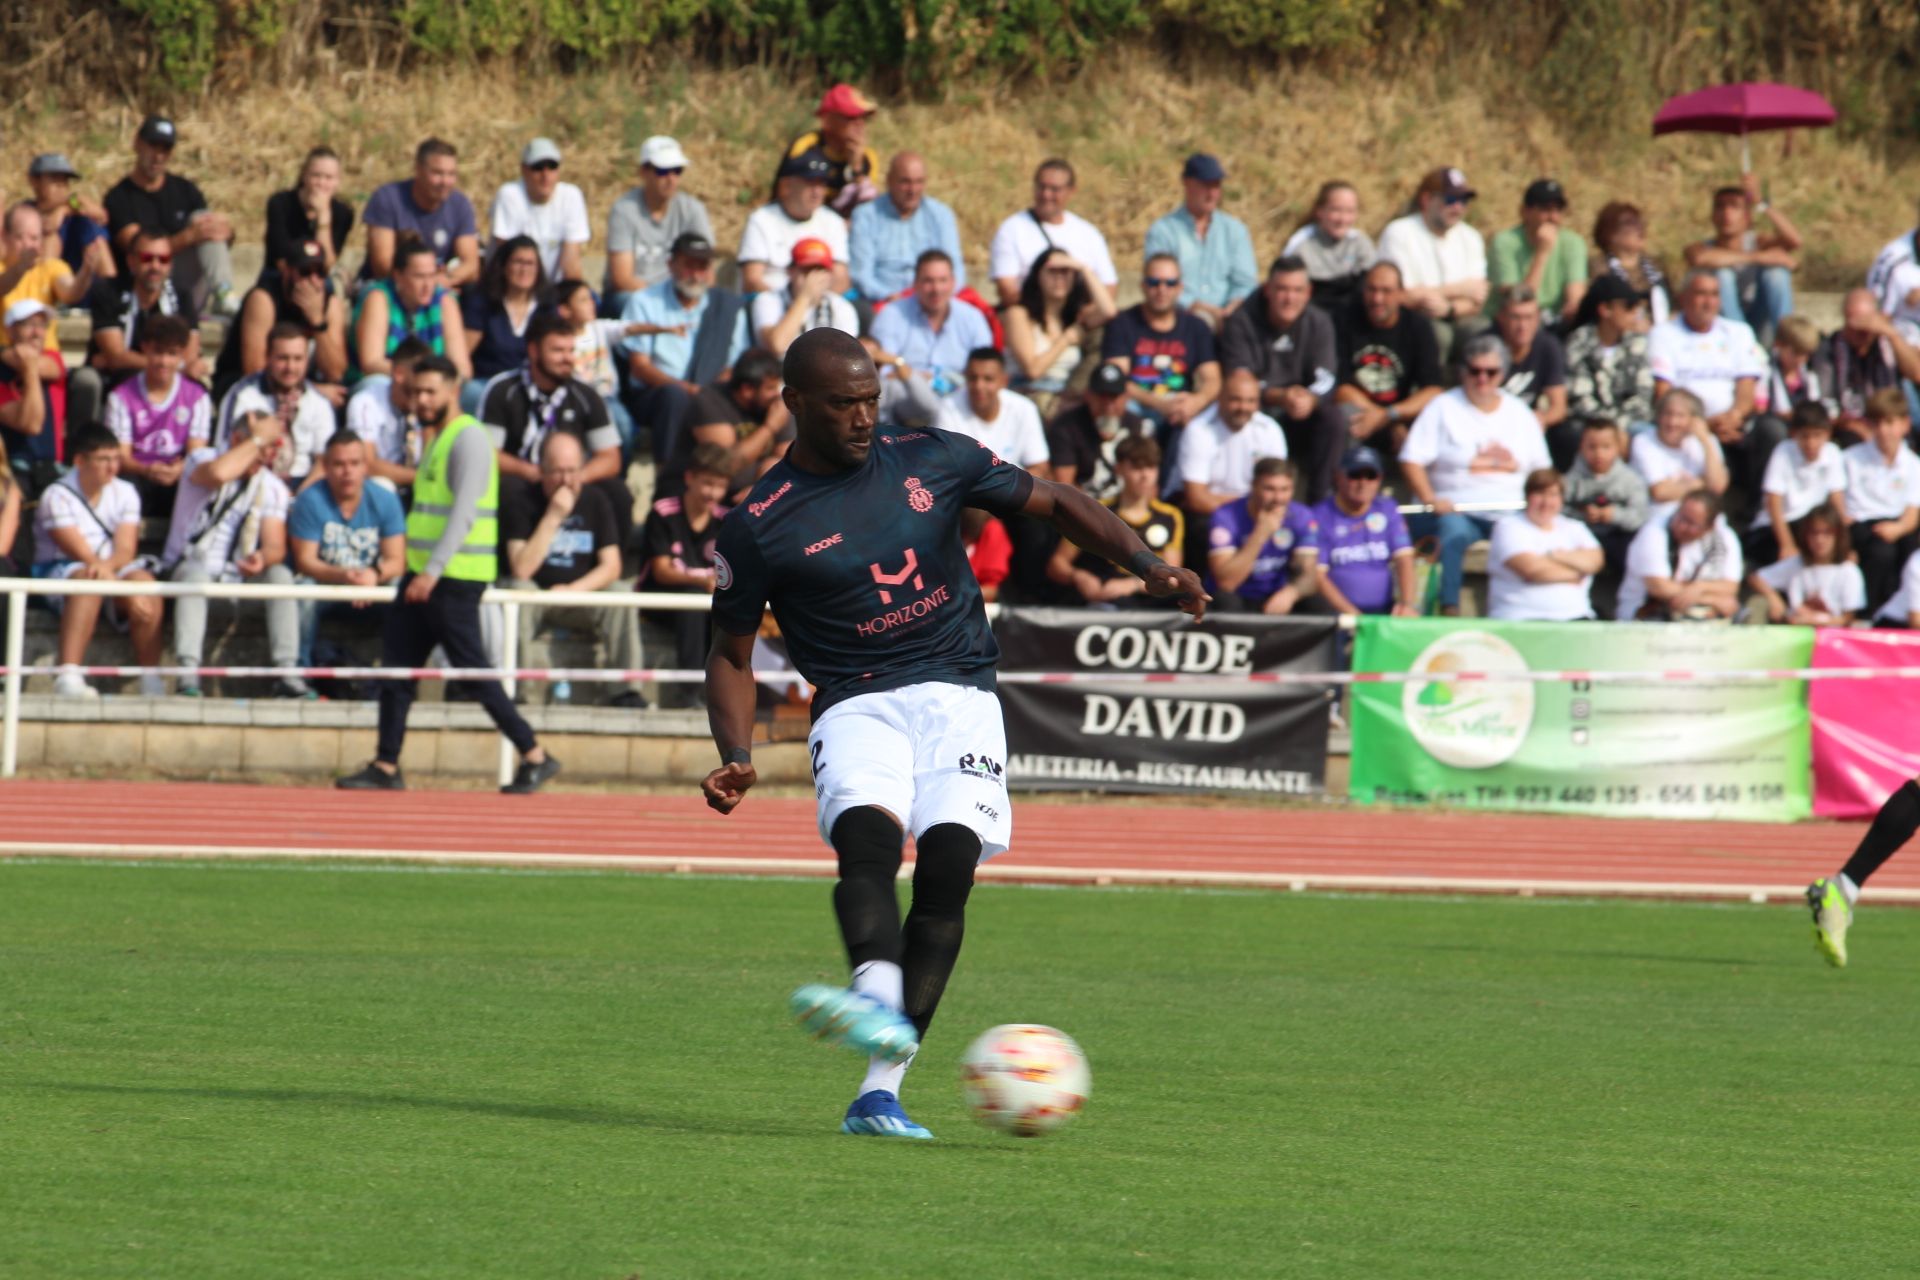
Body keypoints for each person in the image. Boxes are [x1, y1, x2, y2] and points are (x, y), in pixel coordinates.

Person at [700, 327, 1206, 1140]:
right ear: (795, 404)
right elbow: (727, 653)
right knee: (867, 840)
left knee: (947, 869)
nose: (863, 418)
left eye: (870, 400)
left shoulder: (933, 457)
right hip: (855, 698)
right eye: (842, 404)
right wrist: (735, 753)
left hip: (961, 692)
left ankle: (879, 1092)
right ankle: (873, 991)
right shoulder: (759, 524)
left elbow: (1058, 500)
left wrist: (1148, 564)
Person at [336, 355, 560, 793]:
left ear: (453, 391)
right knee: (398, 669)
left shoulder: (468, 439)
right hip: (427, 575)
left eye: (430, 392)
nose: (420, 400)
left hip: (450, 579)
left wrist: (431, 573)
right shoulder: (439, 439)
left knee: (472, 672)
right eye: (416, 392)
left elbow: (463, 512)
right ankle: (385, 765)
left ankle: (534, 754)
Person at [1399, 334, 1553, 614]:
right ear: (1463, 372)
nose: (1482, 379)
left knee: (1525, 540)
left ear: (1503, 375)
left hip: (1510, 513)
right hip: (1455, 509)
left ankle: (1525, 612)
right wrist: (1430, 499)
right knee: (1453, 532)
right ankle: (1449, 607)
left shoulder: (1520, 414)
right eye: (1475, 371)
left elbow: (1542, 472)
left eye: (1490, 372)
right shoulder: (1442, 407)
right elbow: (1411, 459)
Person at [163, 409, 308, 698]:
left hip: (236, 578)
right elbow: (218, 474)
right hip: (187, 569)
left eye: (270, 447)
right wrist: (257, 438)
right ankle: (187, 674)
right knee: (195, 573)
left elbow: (275, 545)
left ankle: (288, 672)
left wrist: (263, 558)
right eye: (261, 446)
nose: (265, 454)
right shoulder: (202, 459)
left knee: (279, 574)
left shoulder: (272, 486)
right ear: (238, 439)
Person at [502, 430, 643, 707]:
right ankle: (521, 691)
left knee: (621, 592)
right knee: (517, 590)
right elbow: (521, 569)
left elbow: (611, 566)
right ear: (542, 470)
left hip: (580, 596)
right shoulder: (522, 500)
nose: (566, 480)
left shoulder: (596, 500)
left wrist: (572, 590)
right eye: (557, 472)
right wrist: (553, 516)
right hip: (538, 596)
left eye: (572, 471)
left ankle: (627, 690)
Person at [30, 423, 165, 698]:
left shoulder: (126, 491)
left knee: (145, 584)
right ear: (80, 461)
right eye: (103, 459)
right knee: (88, 580)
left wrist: (129, 588)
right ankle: (68, 674)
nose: (112, 467)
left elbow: (125, 550)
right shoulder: (55, 495)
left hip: (109, 569)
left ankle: (151, 678)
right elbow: (80, 553)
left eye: (116, 458)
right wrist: (122, 590)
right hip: (60, 569)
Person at [481, 309, 629, 546]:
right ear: (533, 350)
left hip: (571, 479)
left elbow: (610, 457)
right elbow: (487, 454)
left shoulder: (587, 395)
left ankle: (610, 570)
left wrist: (576, 477)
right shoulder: (502, 390)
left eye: (571, 350)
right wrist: (531, 472)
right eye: (557, 351)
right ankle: (507, 570)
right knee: (508, 488)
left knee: (617, 493)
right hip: (524, 480)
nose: (568, 358)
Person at [619, 232, 750, 469]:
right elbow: (640, 367)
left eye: (703, 267)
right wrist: (687, 389)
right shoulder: (644, 301)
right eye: (689, 265)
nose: (697, 275)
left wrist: (706, 395)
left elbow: (734, 365)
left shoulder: (728, 307)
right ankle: (668, 476)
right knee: (674, 397)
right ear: (671, 265)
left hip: (711, 395)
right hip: (656, 395)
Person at [1219, 255, 1345, 501]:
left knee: (1334, 418)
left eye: (1297, 290)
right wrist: (1280, 396)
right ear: (1267, 290)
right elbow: (1240, 377)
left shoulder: (1319, 321)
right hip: (1260, 409)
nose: (1289, 298)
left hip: (1301, 411)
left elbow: (1327, 377)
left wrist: (1309, 398)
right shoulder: (1241, 320)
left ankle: (1319, 503)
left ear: (1308, 292)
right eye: (1282, 289)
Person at [1648, 268, 1774, 512]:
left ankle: (1755, 514)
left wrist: (1735, 416)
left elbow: (1746, 388)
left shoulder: (1738, 332)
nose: (1709, 302)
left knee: (1772, 432)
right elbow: (1664, 393)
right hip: (1687, 424)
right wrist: (1703, 425)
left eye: (1714, 294)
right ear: (1684, 298)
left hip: (1732, 423)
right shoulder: (1664, 334)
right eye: (1701, 294)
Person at [288, 430, 406, 672]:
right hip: (328, 586)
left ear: (366, 466)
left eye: (355, 463)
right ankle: (299, 672)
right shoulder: (310, 500)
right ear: (325, 467)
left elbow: (397, 560)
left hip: (372, 584)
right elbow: (305, 561)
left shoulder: (385, 499)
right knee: (303, 590)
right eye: (339, 464)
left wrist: (373, 574)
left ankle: (397, 672)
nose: (347, 472)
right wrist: (345, 576)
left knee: (400, 586)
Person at [74, 226, 206, 433]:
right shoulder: (108, 291)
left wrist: (168, 366)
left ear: (170, 264)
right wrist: (171, 364)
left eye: (163, 259)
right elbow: (116, 356)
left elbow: (190, 352)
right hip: (115, 379)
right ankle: (82, 449)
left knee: (199, 383)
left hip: (164, 381)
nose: (155, 266)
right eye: (147, 258)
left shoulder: (181, 295)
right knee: (85, 380)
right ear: (131, 261)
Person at [102, 115, 236, 314]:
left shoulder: (185, 190)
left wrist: (225, 232)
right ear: (137, 144)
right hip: (142, 285)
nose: (158, 156)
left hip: (183, 283)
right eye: (153, 147)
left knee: (204, 219)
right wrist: (188, 237)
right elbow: (136, 248)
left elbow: (208, 237)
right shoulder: (119, 197)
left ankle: (224, 293)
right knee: (195, 229)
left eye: (165, 149)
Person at [639, 441, 734, 698]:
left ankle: (727, 691)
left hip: (707, 602)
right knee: (694, 600)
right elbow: (661, 571)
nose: (712, 493)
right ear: (689, 477)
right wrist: (705, 582)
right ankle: (691, 692)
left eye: (720, 485)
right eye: (707, 483)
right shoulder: (663, 512)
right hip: (659, 600)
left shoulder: (728, 520)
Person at [1047, 434, 1183, 606]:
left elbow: (1171, 576)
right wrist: (1079, 576)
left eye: (1151, 467)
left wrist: (1132, 585)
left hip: (1150, 601)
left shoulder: (1170, 516)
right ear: (1119, 469)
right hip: (1107, 599)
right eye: (1137, 467)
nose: (1145, 475)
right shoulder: (1097, 512)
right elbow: (1058, 564)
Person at [212, 239, 348, 401]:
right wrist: (313, 391)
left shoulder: (330, 304)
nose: (314, 281)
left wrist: (317, 321)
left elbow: (336, 373)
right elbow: (255, 371)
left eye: (320, 273)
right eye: (305, 272)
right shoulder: (264, 299)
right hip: (245, 385)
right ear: (286, 271)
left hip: (299, 383)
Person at [104, 314, 209, 518]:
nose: (164, 362)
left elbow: (197, 454)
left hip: (177, 476)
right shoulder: (121, 397)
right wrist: (147, 470)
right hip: (137, 474)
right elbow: (121, 456)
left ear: (182, 355)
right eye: (158, 352)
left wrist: (179, 469)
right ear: (145, 348)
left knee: (196, 481)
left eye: (172, 354)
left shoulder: (197, 397)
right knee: (123, 485)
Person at [1332, 261, 1442, 455]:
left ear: (1401, 294)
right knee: (1342, 416)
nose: (1377, 299)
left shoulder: (1418, 327)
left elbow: (1433, 390)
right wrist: (1382, 419)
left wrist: (1388, 415)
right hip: (1360, 413)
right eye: (1372, 290)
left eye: (1386, 291)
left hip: (1397, 414)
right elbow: (1341, 389)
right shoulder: (1344, 319)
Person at [1375, 166, 1488, 353]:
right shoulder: (1400, 233)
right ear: (1426, 200)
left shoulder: (1471, 237)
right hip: (1412, 319)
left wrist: (1449, 308)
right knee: (1436, 334)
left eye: (1464, 200)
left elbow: (1478, 300)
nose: (1458, 207)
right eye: (1450, 199)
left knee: (1483, 332)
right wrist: (1460, 289)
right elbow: (1402, 296)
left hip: (1458, 315)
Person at [1102, 252, 1220, 432]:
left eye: (1170, 283)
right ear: (1143, 286)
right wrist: (1159, 404)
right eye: (1154, 283)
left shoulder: (1196, 327)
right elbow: (1116, 379)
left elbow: (1213, 379)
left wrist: (1197, 402)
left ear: (1180, 287)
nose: (1162, 290)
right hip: (1137, 407)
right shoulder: (1123, 323)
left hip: (1181, 408)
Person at [1142, 154, 1257, 331]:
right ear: (1187, 184)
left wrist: (1231, 308)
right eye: (1206, 186)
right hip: (1181, 317)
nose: (1212, 194)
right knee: (1201, 323)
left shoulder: (1235, 230)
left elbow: (1246, 282)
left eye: (1216, 186)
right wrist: (1197, 306)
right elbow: (1159, 281)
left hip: (1229, 317)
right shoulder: (1163, 231)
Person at [216, 321, 338, 486]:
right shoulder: (244, 395)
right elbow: (224, 450)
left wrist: (301, 497)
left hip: (303, 484)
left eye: (298, 359)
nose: (290, 367)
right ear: (268, 357)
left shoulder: (318, 401)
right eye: (283, 358)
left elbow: (325, 460)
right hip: (253, 482)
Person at [1683, 173, 1801, 344]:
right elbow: (1700, 258)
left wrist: (1760, 202)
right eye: (1720, 207)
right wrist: (1761, 257)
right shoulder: (1701, 248)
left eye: (1734, 207)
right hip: (1725, 329)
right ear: (1712, 215)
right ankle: (1742, 346)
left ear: (1747, 216)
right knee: (1723, 275)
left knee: (1777, 274)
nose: (1726, 213)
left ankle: (1789, 343)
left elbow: (1794, 240)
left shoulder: (1758, 242)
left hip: (1762, 321)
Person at [603, 137, 712, 317]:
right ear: (643, 172)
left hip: (681, 292)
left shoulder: (693, 209)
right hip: (636, 296)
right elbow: (622, 279)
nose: (671, 179)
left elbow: (707, 268)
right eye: (663, 171)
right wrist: (664, 300)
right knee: (631, 303)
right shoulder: (624, 210)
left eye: (677, 171)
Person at [987, 159, 1118, 306]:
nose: (1046, 195)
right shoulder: (1011, 229)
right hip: (1030, 319)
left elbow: (1109, 289)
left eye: (1054, 189)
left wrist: (1078, 324)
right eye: (1041, 187)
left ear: (1071, 191)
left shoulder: (1089, 234)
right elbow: (1006, 290)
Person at [670, 347, 792, 501]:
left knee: (775, 468)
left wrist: (761, 489)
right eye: (770, 388)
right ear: (747, 389)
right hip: (700, 499)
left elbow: (787, 457)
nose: (776, 393)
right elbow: (724, 464)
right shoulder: (709, 402)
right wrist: (769, 428)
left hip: (754, 497)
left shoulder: (773, 405)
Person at [1310, 444, 1417, 617]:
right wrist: (1353, 616)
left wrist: (1406, 603)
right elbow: (1317, 576)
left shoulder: (1387, 509)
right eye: (1355, 475)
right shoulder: (1320, 515)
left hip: (1383, 613)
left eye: (1371, 476)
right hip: (1336, 617)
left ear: (1380, 479)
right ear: (1338, 477)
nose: (1363, 483)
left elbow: (1404, 559)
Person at [1002, 247, 1115, 408]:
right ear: (1037, 275)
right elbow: (1032, 371)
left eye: (1066, 271)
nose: (1059, 277)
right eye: (1052, 271)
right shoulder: (1018, 314)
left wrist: (1083, 268)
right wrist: (1066, 340)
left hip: (1064, 399)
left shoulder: (1076, 317)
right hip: (1026, 395)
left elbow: (1109, 311)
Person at [1205, 456, 1318, 614]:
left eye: (1285, 489)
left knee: (1315, 602)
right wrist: (1260, 534)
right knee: (1225, 600)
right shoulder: (1226, 516)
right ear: (1254, 486)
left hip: (1277, 595)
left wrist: (1290, 594)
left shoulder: (1301, 516)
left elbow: (1309, 576)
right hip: (1239, 595)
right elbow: (1226, 583)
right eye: (1269, 489)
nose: (1278, 498)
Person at [1485, 468, 1602, 620]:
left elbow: (1595, 562)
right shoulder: (1508, 526)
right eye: (1540, 494)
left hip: (1576, 618)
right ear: (1527, 496)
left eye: (1553, 494)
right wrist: (1577, 572)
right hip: (1520, 618)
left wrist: (1554, 556)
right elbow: (1533, 571)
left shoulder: (1575, 528)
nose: (1546, 502)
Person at [361, 138, 479, 287]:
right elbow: (382, 265)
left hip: (439, 287)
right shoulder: (387, 199)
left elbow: (470, 265)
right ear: (418, 170)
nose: (445, 181)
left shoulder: (460, 204)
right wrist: (425, 283)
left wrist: (443, 281)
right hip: (389, 287)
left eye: (451, 174)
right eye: (437, 173)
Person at [1562, 275, 1655, 467]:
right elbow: (1580, 399)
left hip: (1631, 425)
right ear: (1605, 310)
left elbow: (1643, 395)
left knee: (1650, 437)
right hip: (1592, 427)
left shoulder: (1637, 342)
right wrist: (1612, 431)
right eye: (1629, 307)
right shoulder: (1579, 342)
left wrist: (1621, 427)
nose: (1635, 314)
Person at [848, 152, 964, 304]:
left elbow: (956, 270)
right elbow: (861, 275)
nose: (912, 190)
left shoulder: (941, 216)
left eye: (919, 182)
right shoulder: (866, 216)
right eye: (905, 182)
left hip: (934, 300)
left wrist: (935, 297)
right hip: (883, 302)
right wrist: (891, 297)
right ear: (889, 181)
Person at [352, 238, 471, 384]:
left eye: (432, 275)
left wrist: (438, 381)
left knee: (474, 392)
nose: (428, 285)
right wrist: (419, 374)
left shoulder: (445, 301)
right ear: (398, 276)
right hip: (391, 381)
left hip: (437, 383)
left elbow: (462, 367)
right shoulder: (379, 298)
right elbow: (371, 363)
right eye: (419, 276)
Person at [1843, 388, 1920, 612]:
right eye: (1877, 423)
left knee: (1908, 549)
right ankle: (1869, 613)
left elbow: (1911, 515)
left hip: (1897, 527)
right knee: (1881, 552)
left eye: (1890, 422)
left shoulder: (1914, 465)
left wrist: (1898, 528)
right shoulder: (1850, 459)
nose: (1883, 430)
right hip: (1860, 527)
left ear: (1905, 424)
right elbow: (1844, 508)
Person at [869, 249, 990, 389]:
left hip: (960, 396)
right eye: (928, 281)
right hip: (905, 394)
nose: (936, 289)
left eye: (942, 280)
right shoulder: (891, 314)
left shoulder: (972, 318)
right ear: (915, 283)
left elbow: (985, 369)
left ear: (953, 282)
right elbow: (885, 373)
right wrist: (920, 381)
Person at [1176, 367, 1289, 516]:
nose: (1243, 407)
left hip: (1259, 512)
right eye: (1236, 399)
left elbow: (1278, 487)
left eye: (1250, 401)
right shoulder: (1198, 430)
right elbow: (1197, 499)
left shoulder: (1270, 430)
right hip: (1210, 515)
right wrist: (1248, 509)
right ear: (1220, 397)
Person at [1562, 420, 1650, 607]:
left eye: (1606, 447)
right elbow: (1559, 512)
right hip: (1584, 538)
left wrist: (1613, 515)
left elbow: (1640, 516)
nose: (1599, 454)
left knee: (1634, 551)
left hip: (1617, 537)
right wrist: (1582, 516)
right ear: (1581, 447)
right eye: (1592, 447)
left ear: (1618, 447)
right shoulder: (1570, 481)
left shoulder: (1630, 480)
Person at [1615, 491, 1741, 621]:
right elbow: (1659, 588)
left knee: (1736, 614)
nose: (1681, 526)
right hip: (1644, 613)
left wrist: (1699, 587)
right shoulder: (1654, 532)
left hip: (1695, 614)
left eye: (1691, 523)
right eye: (1680, 517)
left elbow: (1730, 587)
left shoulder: (1724, 538)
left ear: (1709, 527)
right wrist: (1713, 599)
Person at [1815, 289, 1920, 439]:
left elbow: (1917, 373)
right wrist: (1853, 425)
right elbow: (1825, 402)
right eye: (1855, 324)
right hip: (1848, 427)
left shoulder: (1888, 343)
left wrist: (1892, 335)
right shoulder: (1830, 348)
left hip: (1890, 422)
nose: (1861, 331)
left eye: (1866, 322)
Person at [1751, 402, 1846, 567]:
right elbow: (1773, 502)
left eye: (1817, 436)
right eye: (1804, 436)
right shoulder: (1783, 451)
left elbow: (1837, 499)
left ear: (1828, 434)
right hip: (1777, 527)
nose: (1810, 443)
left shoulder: (1833, 453)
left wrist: (1844, 544)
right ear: (1794, 434)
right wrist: (1786, 545)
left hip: (1811, 525)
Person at [738, 153, 849, 296]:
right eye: (810, 182)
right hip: (771, 306)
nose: (817, 191)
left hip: (821, 306)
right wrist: (789, 308)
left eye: (821, 184)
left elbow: (841, 279)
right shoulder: (761, 220)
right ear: (786, 186)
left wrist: (815, 308)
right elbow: (751, 280)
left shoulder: (834, 222)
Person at [461, 236, 548, 410]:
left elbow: (576, 342)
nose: (524, 269)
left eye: (530, 263)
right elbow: (463, 352)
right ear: (504, 266)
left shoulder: (547, 306)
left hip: (532, 386)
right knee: (471, 393)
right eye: (518, 262)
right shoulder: (482, 303)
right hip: (487, 383)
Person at [1487, 179, 1587, 329]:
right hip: (1511, 322)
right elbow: (1520, 300)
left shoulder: (1573, 243)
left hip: (1554, 320)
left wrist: (1572, 307)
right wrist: (1542, 253)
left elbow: (1575, 294)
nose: (1553, 217)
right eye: (1545, 209)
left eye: (1558, 209)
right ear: (1524, 212)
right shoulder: (1504, 243)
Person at [1046, 362, 1152, 500]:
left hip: (1127, 508)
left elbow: (1149, 482)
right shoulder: (1066, 426)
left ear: (1126, 397)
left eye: (1114, 397)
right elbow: (1064, 486)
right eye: (1102, 396)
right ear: (1088, 395)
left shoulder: (1138, 427)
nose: (1108, 405)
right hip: (1084, 508)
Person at [488, 138, 590, 283]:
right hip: (513, 286)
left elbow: (571, 265)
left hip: (553, 288)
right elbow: (509, 260)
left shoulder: (571, 196)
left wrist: (572, 297)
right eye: (538, 167)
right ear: (523, 170)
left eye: (552, 166)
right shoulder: (509, 195)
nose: (546, 175)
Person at [1746, 504, 1863, 627]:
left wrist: (1813, 620)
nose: (1820, 540)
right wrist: (1773, 598)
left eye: (1827, 533)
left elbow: (1847, 619)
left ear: (1838, 536)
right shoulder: (1796, 564)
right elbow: (1756, 578)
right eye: (1814, 533)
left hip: (1830, 638)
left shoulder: (1848, 571)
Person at [939, 348, 1051, 475]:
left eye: (988, 379)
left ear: (1004, 381)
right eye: (973, 378)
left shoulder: (1025, 408)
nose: (979, 386)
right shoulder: (948, 407)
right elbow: (944, 468)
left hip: (1014, 491)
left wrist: (1011, 491)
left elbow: (1039, 467)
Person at [1630, 387, 1730, 527]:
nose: (1672, 422)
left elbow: (1718, 486)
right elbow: (1660, 492)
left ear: (1694, 420)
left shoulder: (1707, 441)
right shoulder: (1644, 441)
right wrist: (1703, 484)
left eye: (1680, 416)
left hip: (1702, 518)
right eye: (1667, 414)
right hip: (1659, 518)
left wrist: (1704, 440)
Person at [1, 203, 104, 337]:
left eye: (34, 238)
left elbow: (71, 294)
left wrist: (86, 271)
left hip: (45, 350)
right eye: (19, 237)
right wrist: (21, 267)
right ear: (5, 236)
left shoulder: (51, 267)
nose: (27, 244)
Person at [780, 83, 881, 218]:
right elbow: (782, 196)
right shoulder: (805, 148)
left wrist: (856, 168)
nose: (860, 123)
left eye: (863, 118)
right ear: (827, 120)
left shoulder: (868, 159)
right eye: (851, 117)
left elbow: (868, 211)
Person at [750, 238, 859, 356]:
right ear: (790, 271)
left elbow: (846, 355)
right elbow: (777, 346)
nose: (813, 278)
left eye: (820, 270)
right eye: (806, 271)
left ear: (829, 274)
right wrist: (804, 298)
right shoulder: (768, 300)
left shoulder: (841, 307)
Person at [1281, 180, 1377, 314]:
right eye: (1336, 210)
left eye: (1350, 211)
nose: (1342, 219)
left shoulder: (1360, 243)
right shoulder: (1301, 244)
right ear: (1320, 211)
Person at [346, 337, 428, 491]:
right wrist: (420, 477)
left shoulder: (427, 402)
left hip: (416, 485)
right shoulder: (366, 403)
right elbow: (367, 464)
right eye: (420, 372)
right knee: (383, 486)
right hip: (379, 488)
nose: (426, 380)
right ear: (399, 373)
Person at [0, 300, 66, 485]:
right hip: (12, 469)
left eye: (42, 325)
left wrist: (22, 361)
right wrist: (29, 368)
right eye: (29, 325)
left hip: (52, 468)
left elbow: (51, 368)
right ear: (10, 330)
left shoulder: (53, 357)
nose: (37, 332)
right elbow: (31, 425)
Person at [263, 147, 354, 277]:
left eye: (329, 178)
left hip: (318, 279)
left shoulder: (343, 213)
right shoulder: (280, 204)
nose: (321, 183)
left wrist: (323, 217)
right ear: (304, 176)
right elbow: (281, 259)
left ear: (337, 182)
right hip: (280, 275)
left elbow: (327, 265)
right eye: (316, 176)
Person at [1492, 286, 1568, 440]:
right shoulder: (1487, 346)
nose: (1522, 326)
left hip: (1530, 423)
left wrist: (1538, 420)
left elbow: (1559, 407)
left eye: (1528, 317)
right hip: (1491, 423)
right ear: (1501, 317)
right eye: (1515, 317)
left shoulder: (1548, 346)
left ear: (1538, 318)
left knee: (1566, 434)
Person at [26, 153, 112, 279]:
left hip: (77, 275)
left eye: (65, 180)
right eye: (54, 178)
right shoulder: (26, 210)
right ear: (34, 181)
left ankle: (110, 288)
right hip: (36, 275)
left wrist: (62, 211)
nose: (61, 185)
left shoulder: (72, 202)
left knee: (89, 225)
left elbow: (100, 215)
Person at [1590, 201, 1671, 325]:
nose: (1640, 228)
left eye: (1640, 222)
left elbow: (1673, 304)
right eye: (1630, 223)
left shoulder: (1656, 265)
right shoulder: (1599, 267)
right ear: (1609, 233)